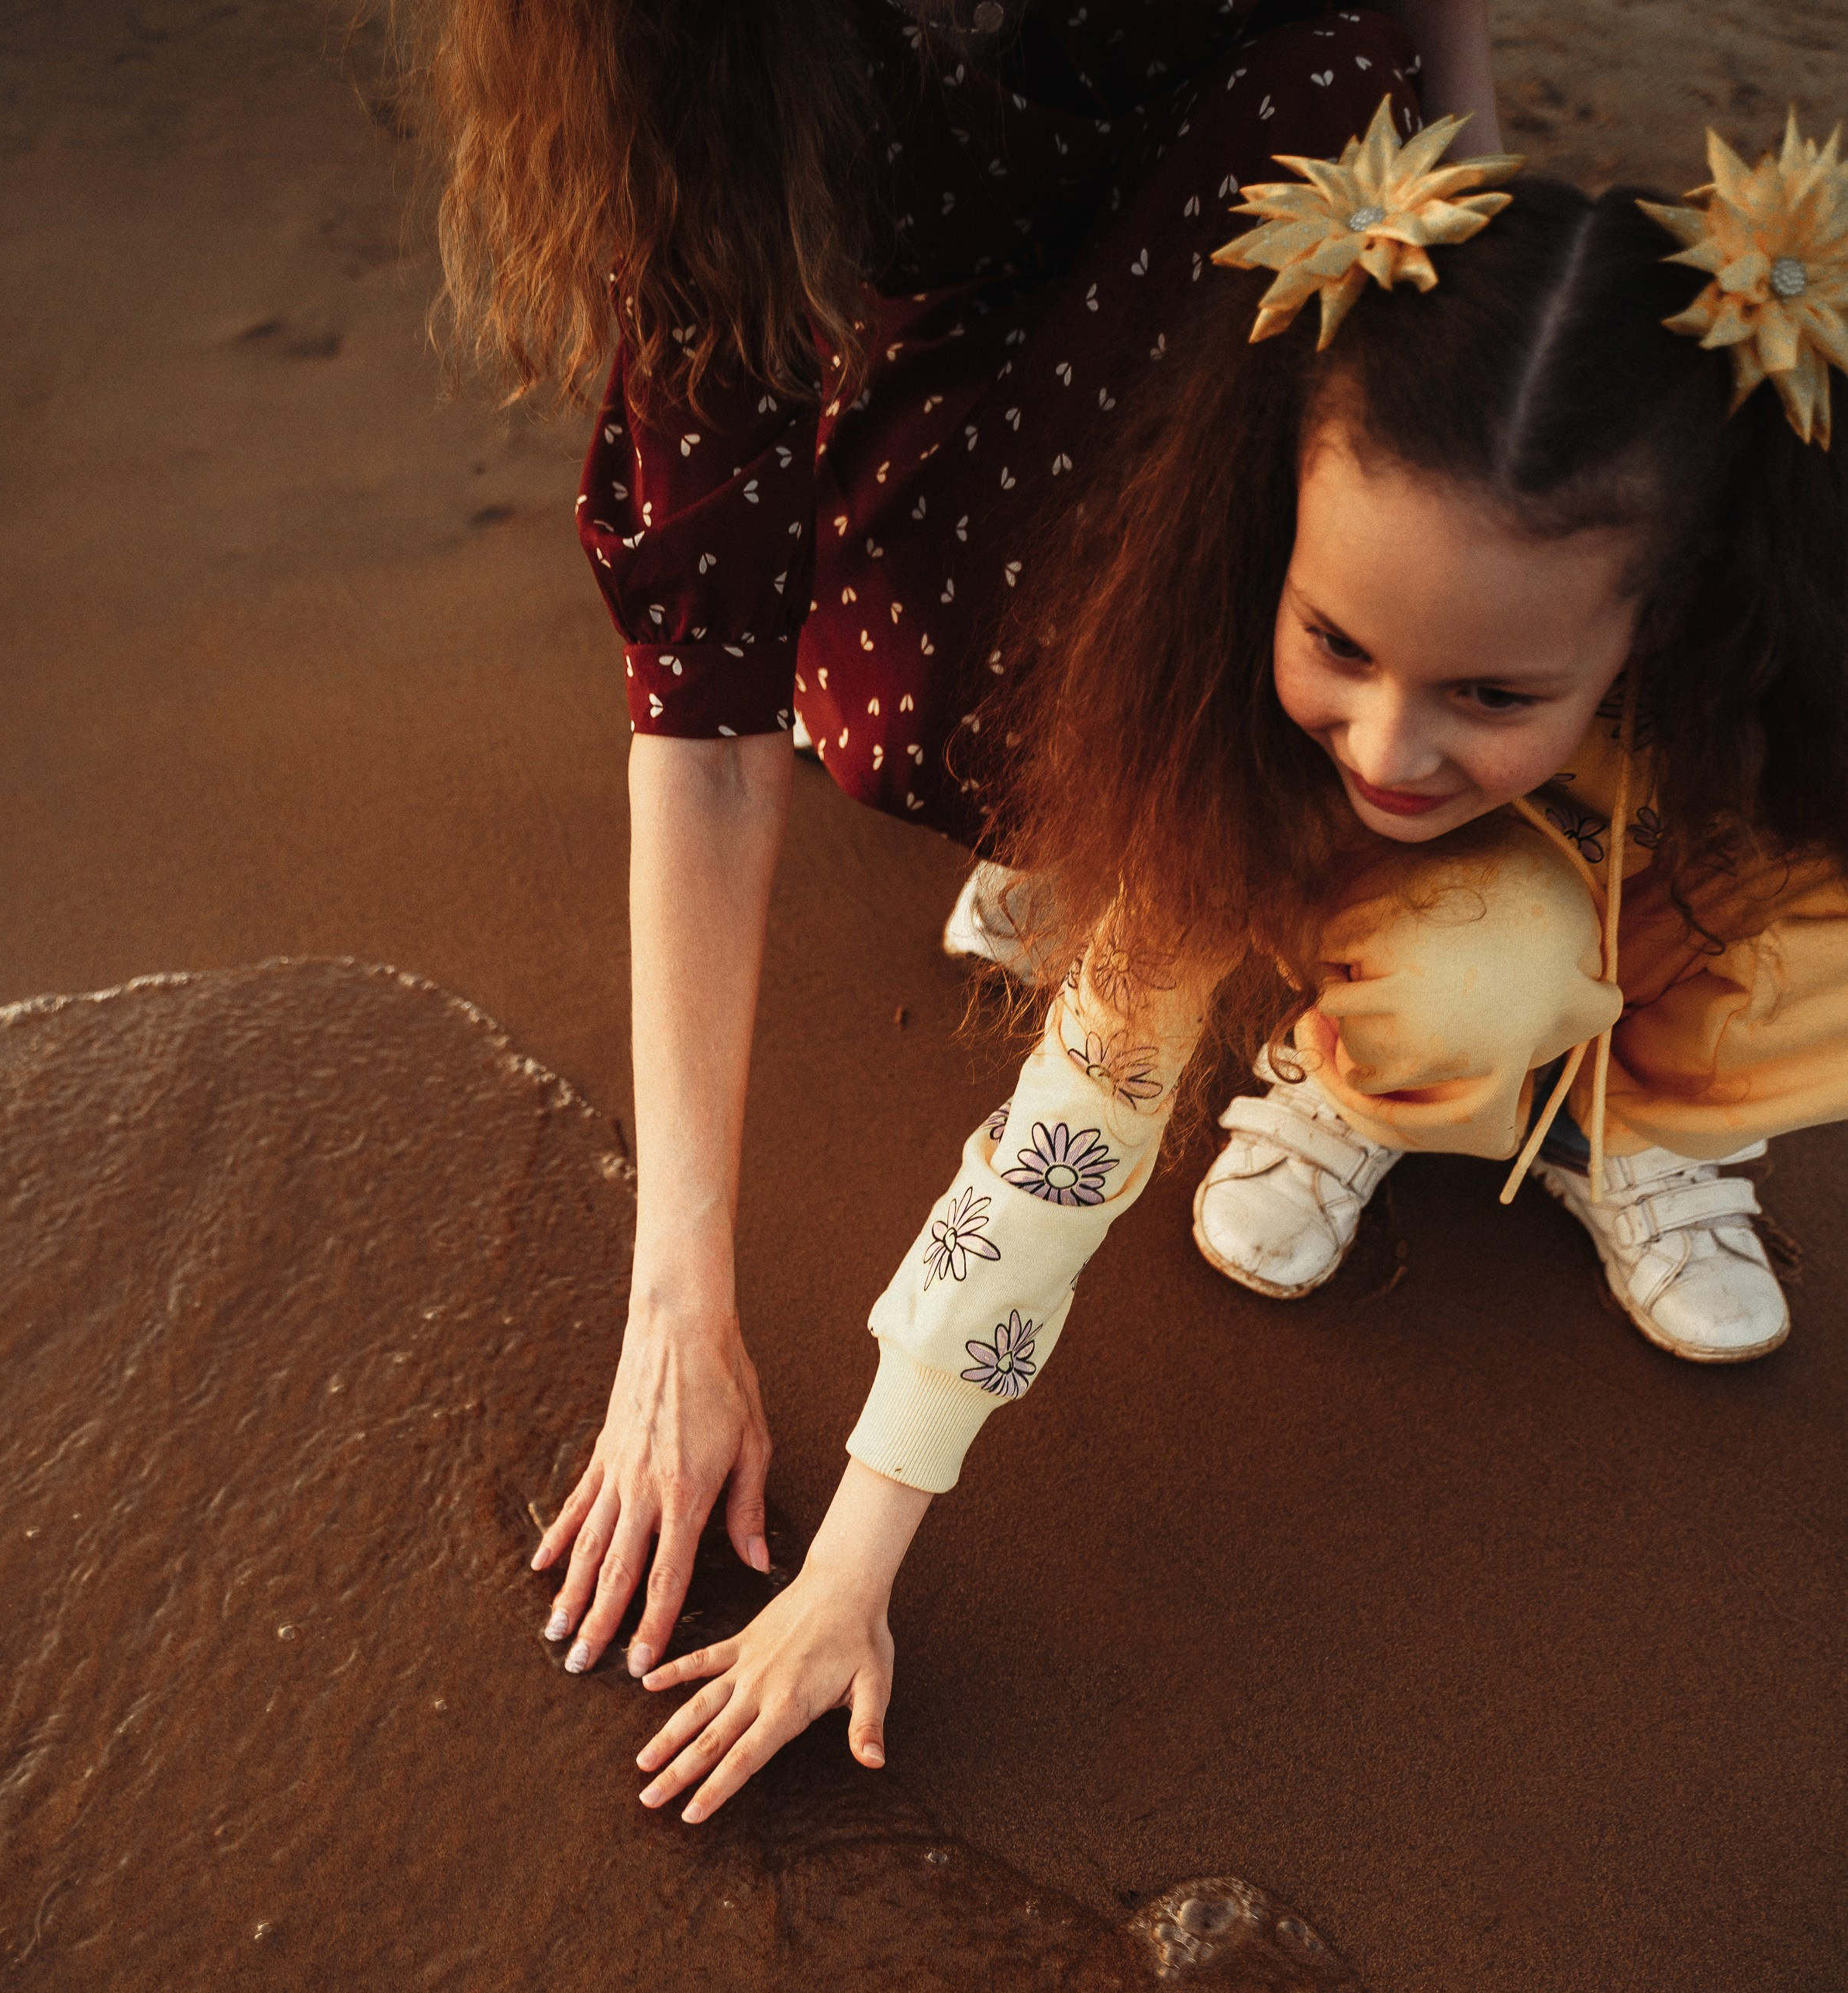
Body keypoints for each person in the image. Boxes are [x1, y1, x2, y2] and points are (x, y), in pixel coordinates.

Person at [627, 109, 1848, 1820]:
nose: (1390, 744)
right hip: (1399, 906)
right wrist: (847, 1569)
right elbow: (1061, 1146)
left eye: (1491, 690)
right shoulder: (1238, 739)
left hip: (1674, 842)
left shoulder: (1774, 669)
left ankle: (1634, 1129)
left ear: (1677, 608)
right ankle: (1354, 1078)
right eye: (1337, 642)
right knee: (1481, 971)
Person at [409, 0, 1504, 1677]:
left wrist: (1475, 214)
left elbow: (1086, 1105)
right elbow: (705, 696)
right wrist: (681, 1310)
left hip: (1280, 164)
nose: (1397, 742)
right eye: (1345, 674)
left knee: (1485, 956)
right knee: (931, 732)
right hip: (1014, 329)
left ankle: (1493, 1057)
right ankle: (1185, 790)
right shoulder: (715, 61)